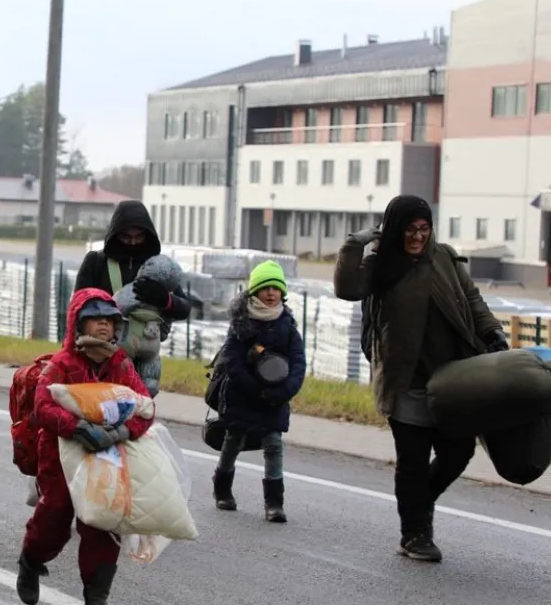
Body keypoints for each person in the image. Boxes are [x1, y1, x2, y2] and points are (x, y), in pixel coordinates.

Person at [333, 194, 506, 563]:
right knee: (412, 460)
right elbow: (347, 288)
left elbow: (472, 300)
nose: (417, 237)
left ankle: (418, 502)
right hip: (405, 380)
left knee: (458, 452)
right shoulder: (381, 264)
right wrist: (356, 242)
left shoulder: (443, 257)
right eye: (410, 229)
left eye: (424, 229)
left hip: (454, 378)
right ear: (395, 229)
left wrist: (492, 334)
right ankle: (415, 534)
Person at [16, 287, 154, 605]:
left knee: (103, 524)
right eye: (95, 320)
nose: (104, 326)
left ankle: (97, 593)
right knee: (54, 515)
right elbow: (43, 406)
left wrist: (122, 432)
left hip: (108, 455)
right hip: (61, 454)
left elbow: (144, 407)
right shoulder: (62, 363)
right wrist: (77, 427)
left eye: (109, 320)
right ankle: (31, 561)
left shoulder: (121, 364)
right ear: (78, 324)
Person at [211, 260, 305, 523]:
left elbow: (298, 363)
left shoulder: (288, 326)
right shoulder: (242, 324)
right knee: (233, 440)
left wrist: (283, 391)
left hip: (275, 400)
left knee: (274, 445)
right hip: (243, 397)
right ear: (255, 291)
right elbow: (232, 362)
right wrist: (255, 390)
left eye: (277, 288)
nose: (272, 293)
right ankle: (222, 488)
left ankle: (274, 504)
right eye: (266, 288)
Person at [74, 200, 191, 324]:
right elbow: (78, 305)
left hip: (145, 340)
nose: (133, 242)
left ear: (147, 236)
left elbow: (185, 308)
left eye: (139, 237)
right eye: (126, 237)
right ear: (115, 235)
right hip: (104, 340)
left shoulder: (158, 266)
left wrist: (166, 300)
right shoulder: (96, 262)